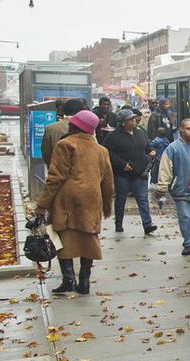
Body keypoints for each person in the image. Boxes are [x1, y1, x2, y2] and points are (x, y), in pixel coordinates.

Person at [34, 110, 115, 295]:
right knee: (88, 236)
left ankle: (68, 279)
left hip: (66, 199)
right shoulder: (101, 150)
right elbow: (108, 182)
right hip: (91, 199)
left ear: (74, 126)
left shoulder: (65, 145)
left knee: (62, 237)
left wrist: (42, 205)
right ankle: (84, 281)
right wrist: (107, 206)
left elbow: (55, 178)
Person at [103, 108, 157, 234]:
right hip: (122, 174)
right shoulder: (114, 136)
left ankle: (147, 224)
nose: (134, 121)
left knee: (142, 198)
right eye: (131, 120)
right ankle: (118, 223)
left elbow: (146, 145)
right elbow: (106, 152)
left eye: (134, 119)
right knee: (121, 199)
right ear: (123, 123)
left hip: (140, 172)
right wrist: (121, 164)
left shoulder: (140, 132)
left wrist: (151, 150)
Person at [157, 118, 190, 255]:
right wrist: (162, 187)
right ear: (181, 129)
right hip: (180, 189)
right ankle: (189, 243)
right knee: (186, 217)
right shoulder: (173, 148)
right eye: (189, 128)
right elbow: (165, 168)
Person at [42, 99, 87, 168]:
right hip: (80, 172)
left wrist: (52, 167)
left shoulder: (50, 129)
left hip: (57, 169)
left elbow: (46, 152)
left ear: (64, 110)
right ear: (81, 111)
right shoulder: (86, 128)